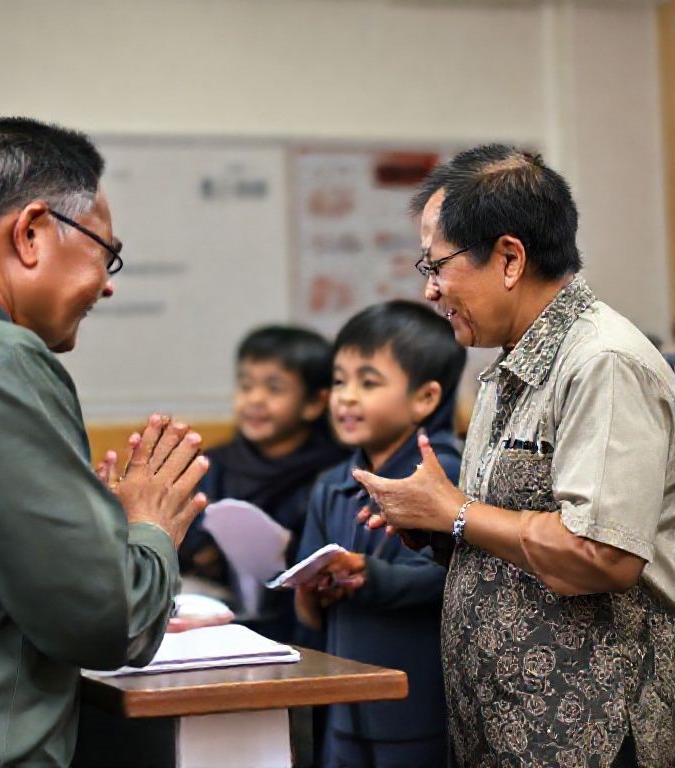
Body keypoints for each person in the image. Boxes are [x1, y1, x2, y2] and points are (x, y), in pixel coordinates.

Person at [354, 145, 675, 767]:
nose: (429, 289)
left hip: (593, 732)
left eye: (436, 264)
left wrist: (453, 513)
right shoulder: (510, 365)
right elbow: (503, 524)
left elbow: (603, 554)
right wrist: (433, 524)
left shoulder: (602, 362)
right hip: (507, 725)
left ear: (508, 259)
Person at [0, 117, 209, 767]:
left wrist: (80, 530)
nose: (107, 283)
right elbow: (105, 623)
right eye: (105, 252)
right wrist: (147, 526)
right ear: (32, 232)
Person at [295, 300, 466, 768]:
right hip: (344, 705)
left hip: (417, 704)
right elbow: (308, 592)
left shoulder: (446, 476)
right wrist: (308, 591)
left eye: (368, 383)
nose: (346, 397)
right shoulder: (331, 483)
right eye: (339, 381)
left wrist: (367, 574)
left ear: (424, 398)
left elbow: (453, 580)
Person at [179, 325, 347, 640]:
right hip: (223, 627)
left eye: (274, 388)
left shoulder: (334, 473)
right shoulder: (212, 466)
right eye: (246, 386)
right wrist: (200, 553)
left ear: (314, 403)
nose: (255, 399)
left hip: (301, 629)